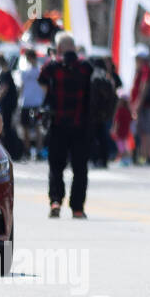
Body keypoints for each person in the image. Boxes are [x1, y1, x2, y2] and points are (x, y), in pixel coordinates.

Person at [38, 32, 94, 218]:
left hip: (58, 124)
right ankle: (77, 208)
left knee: (56, 166)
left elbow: (43, 85)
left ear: (59, 48)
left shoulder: (52, 66)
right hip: (81, 125)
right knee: (80, 168)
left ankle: (55, 201)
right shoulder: (86, 67)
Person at [17, 46, 46, 160]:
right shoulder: (24, 71)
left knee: (38, 126)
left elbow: (44, 86)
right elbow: (22, 86)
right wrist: (20, 99)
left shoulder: (40, 70)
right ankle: (27, 150)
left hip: (37, 102)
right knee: (25, 127)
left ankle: (39, 150)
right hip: (26, 102)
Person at [0, 53, 22, 157]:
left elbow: (3, 89)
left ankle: (11, 150)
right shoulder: (5, 72)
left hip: (7, 104)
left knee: (7, 127)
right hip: (8, 104)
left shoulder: (5, 73)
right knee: (6, 126)